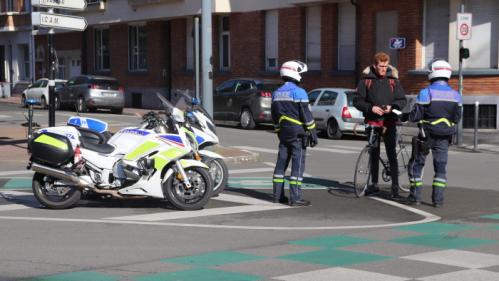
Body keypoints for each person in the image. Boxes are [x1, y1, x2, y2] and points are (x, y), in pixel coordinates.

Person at [407, 59, 462, 207]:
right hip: (445, 136)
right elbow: (457, 118)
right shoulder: (456, 95)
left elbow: (415, 116)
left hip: (426, 135)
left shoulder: (426, 93)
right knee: (440, 168)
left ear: (432, 73)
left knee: (416, 165)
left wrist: (410, 113)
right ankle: (438, 200)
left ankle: (415, 197)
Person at [353, 52, 407, 198]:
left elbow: (402, 100)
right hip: (372, 121)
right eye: (380, 66)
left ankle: (395, 186)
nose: (383, 69)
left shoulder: (393, 81)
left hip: (389, 122)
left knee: (391, 154)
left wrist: (392, 107)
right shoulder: (366, 81)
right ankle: (374, 184)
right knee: (374, 153)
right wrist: (370, 108)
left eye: (385, 66)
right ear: (375, 65)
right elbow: (357, 100)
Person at [271, 60, 318, 206]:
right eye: (301, 73)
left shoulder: (276, 93)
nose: (302, 77)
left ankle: (277, 196)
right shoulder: (299, 92)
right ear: (294, 72)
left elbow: (274, 116)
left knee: (281, 165)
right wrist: (313, 132)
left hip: (284, 133)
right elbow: (306, 115)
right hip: (298, 133)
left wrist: (279, 131)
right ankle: (295, 198)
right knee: (297, 165)